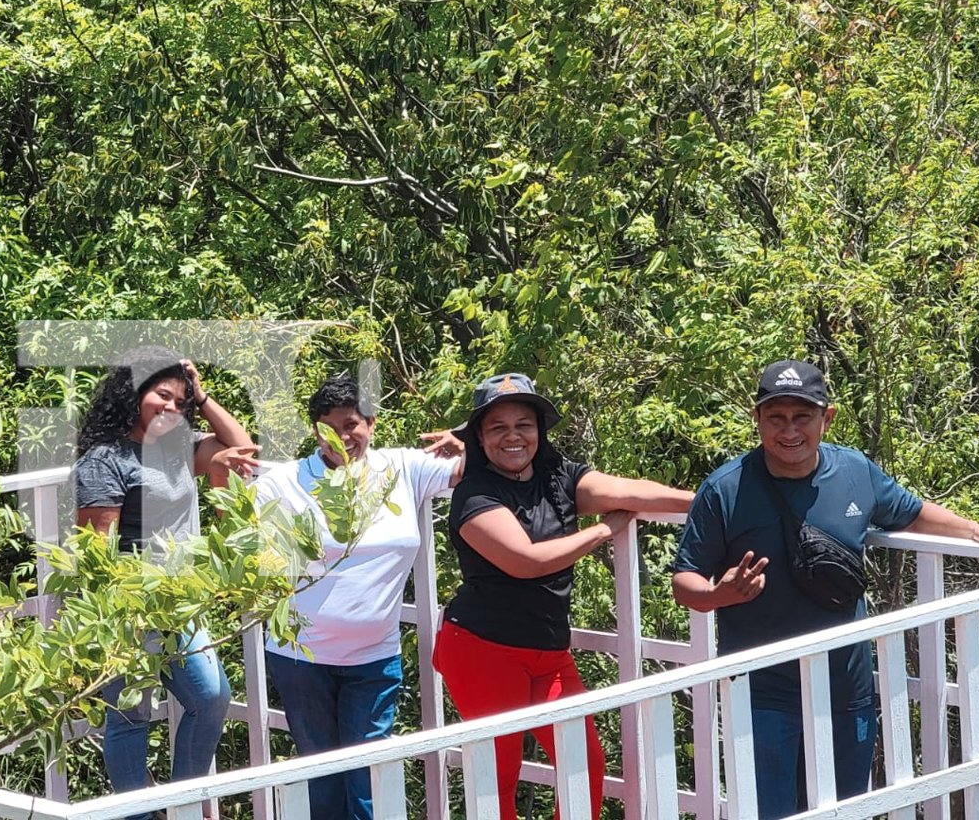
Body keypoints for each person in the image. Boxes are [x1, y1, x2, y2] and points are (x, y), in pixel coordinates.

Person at [671, 359, 979, 819]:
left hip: (845, 688)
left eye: (802, 417)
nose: (789, 431)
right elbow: (685, 580)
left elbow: (910, 512)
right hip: (762, 692)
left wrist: (976, 532)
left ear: (826, 418)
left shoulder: (854, 471)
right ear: (757, 419)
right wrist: (719, 595)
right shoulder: (726, 489)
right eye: (776, 417)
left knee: (845, 810)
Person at [433, 372, 693, 820]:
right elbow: (526, 560)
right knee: (497, 778)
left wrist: (708, 500)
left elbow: (629, 490)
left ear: (540, 430)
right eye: (498, 427)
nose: (513, 436)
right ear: (478, 437)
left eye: (524, 424)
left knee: (584, 767)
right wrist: (602, 532)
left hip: (549, 651)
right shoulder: (475, 494)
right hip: (482, 649)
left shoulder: (560, 477)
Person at [253, 372, 462, 820]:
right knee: (323, 781)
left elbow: (478, 470)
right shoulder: (287, 481)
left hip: (373, 657)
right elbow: (233, 506)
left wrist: (466, 438)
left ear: (370, 423)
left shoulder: (402, 468)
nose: (342, 437)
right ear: (315, 431)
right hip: (300, 658)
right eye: (330, 427)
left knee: (369, 779)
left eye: (352, 424)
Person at [72, 346, 260, 818]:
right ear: (135, 392)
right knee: (131, 717)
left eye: (181, 402)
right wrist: (115, 621)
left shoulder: (178, 447)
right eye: (163, 395)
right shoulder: (106, 459)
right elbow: (96, 549)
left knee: (211, 698)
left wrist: (203, 394)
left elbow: (243, 446)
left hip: (181, 605)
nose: (172, 408)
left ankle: (180, 806)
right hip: (129, 607)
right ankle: (139, 813)